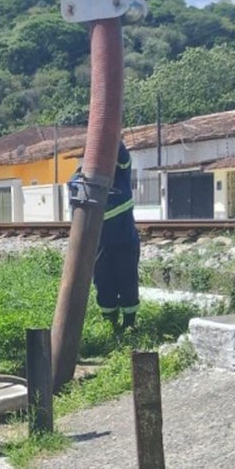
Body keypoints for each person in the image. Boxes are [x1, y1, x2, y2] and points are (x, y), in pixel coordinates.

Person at [83, 141, 141, 330]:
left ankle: (130, 324)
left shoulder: (121, 171)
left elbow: (123, 156)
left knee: (127, 282)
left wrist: (112, 137)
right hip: (100, 244)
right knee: (103, 283)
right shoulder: (85, 175)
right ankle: (110, 325)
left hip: (125, 241)